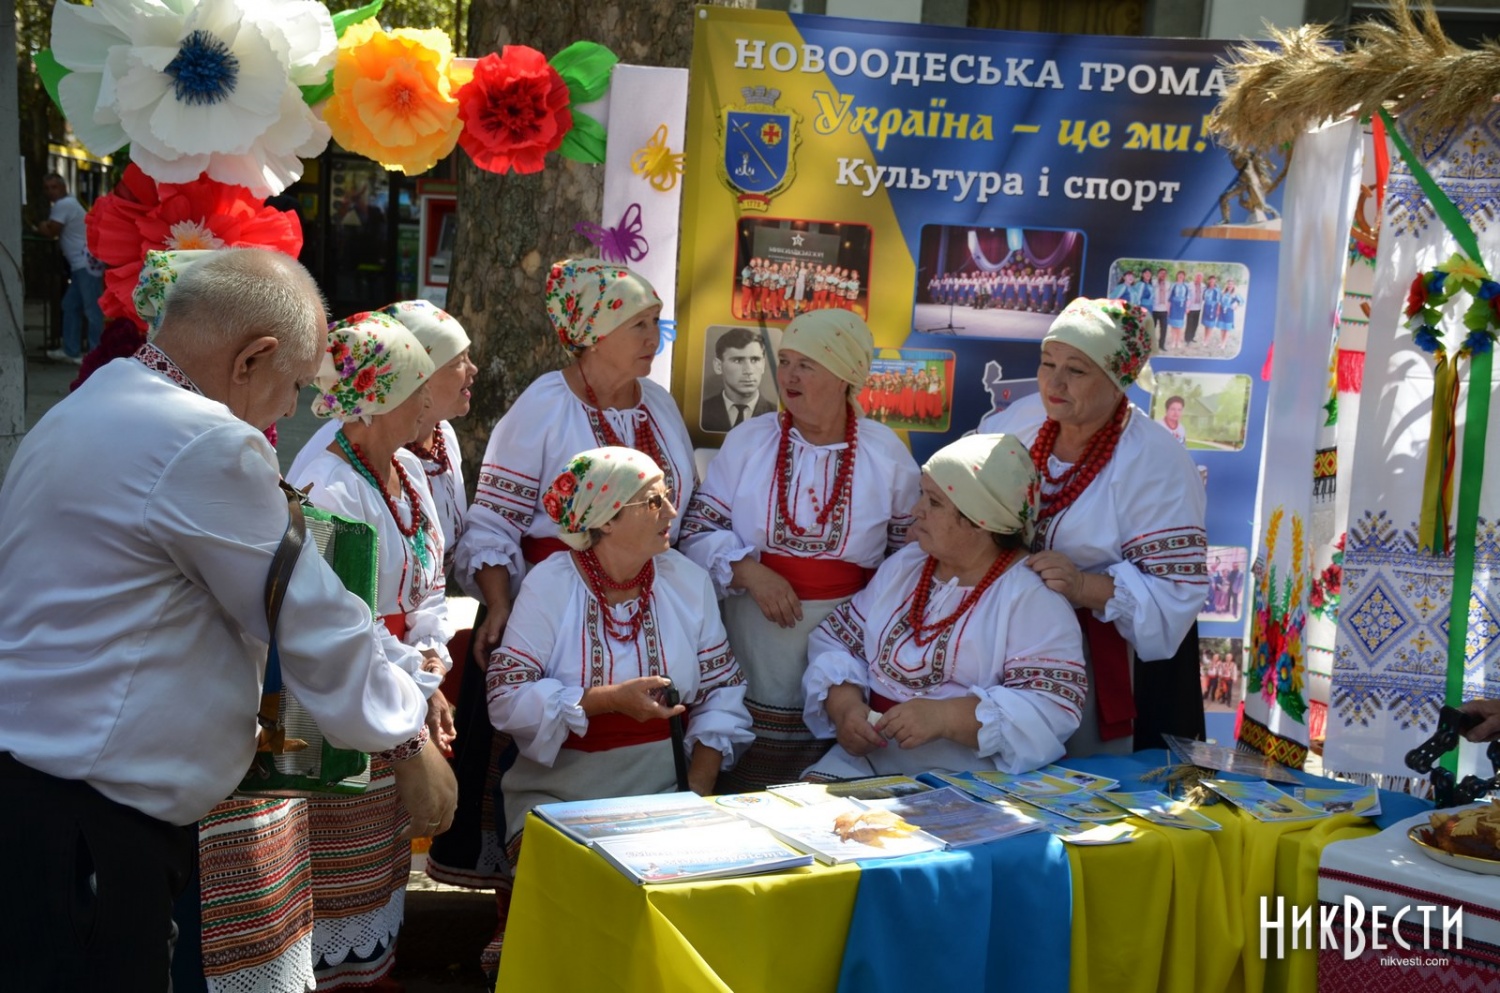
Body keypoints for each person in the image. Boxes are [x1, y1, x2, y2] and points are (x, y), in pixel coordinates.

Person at [0, 248, 454, 991]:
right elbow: (312, 616)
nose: (291, 410)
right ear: (251, 359)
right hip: (94, 820)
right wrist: (407, 737)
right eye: (295, 385)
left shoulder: (89, 405)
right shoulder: (202, 439)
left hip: (52, 797)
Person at [680, 310, 921, 789]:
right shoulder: (751, 441)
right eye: (786, 362)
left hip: (845, 637)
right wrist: (750, 573)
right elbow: (696, 529)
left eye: (806, 365)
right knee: (743, 770)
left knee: (824, 773)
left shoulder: (885, 453)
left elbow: (908, 561)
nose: (788, 376)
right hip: (752, 633)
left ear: (845, 375)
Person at [288, 311, 455, 989]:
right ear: (380, 399)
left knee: (382, 880)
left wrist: (432, 653)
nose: (428, 403)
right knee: (342, 886)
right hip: (349, 704)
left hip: (400, 683)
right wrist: (417, 677)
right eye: (419, 388)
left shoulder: (408, 468)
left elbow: (429, 583)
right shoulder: (328, 484)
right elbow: (342, 616)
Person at [488, 446, 753, 862]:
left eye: (668, 496)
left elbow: (722, 693)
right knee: (582, 880)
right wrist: (608, 700)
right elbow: (506, 696)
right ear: (607, 519)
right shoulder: (550, 585)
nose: (671, 512)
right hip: (557, 797)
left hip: (664, 790)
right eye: (653, 502)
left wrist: (695, 792)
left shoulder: (687, 581)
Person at [978, 297, 1207, 754]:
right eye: (1047, 363)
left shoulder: (1154, 460)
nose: (1054, 382)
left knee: (1081, 780)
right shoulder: (1022, 422)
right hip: (1005, 636)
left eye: (1076, 370)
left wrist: (1082, 586)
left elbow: (1175, 594)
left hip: (1101, 657)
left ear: (1118, 379)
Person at [803, 434, 1086, 779]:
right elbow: (840, 642)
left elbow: (1052, 708)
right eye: (922, 494)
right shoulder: (907, 566)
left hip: (969, 777)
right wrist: (846, 708)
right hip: (869, 762)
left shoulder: (1030, 597)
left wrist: (946, 718)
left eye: (934, 502)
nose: (916, 511)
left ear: (981, 521)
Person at [458, 258, 697, 665]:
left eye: (656, 322)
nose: (653, 338)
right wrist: (500, 604)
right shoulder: (545, 405)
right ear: (594, 335)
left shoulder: (659, 404)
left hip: (652, 604)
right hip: (558, 608)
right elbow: (493, 523)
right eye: (638, 325)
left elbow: (687, 513)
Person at [36, 172, 104, 364]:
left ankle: (96, 354)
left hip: (85, 263)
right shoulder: (70, 203)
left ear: (63, 187)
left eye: (54, 187)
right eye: (47, 188)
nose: (50, 192)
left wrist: (41, 225)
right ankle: (72, 350)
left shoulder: (63, 204)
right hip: (83, 263)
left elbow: (52, 231)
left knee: (92, 309)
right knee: (71, 305)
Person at [701, 326, 777, 432]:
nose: (748, 370)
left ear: (763, 365)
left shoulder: (777, 414)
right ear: (718, 366)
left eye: (755, 360)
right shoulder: (702, 412)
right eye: (738, 360)